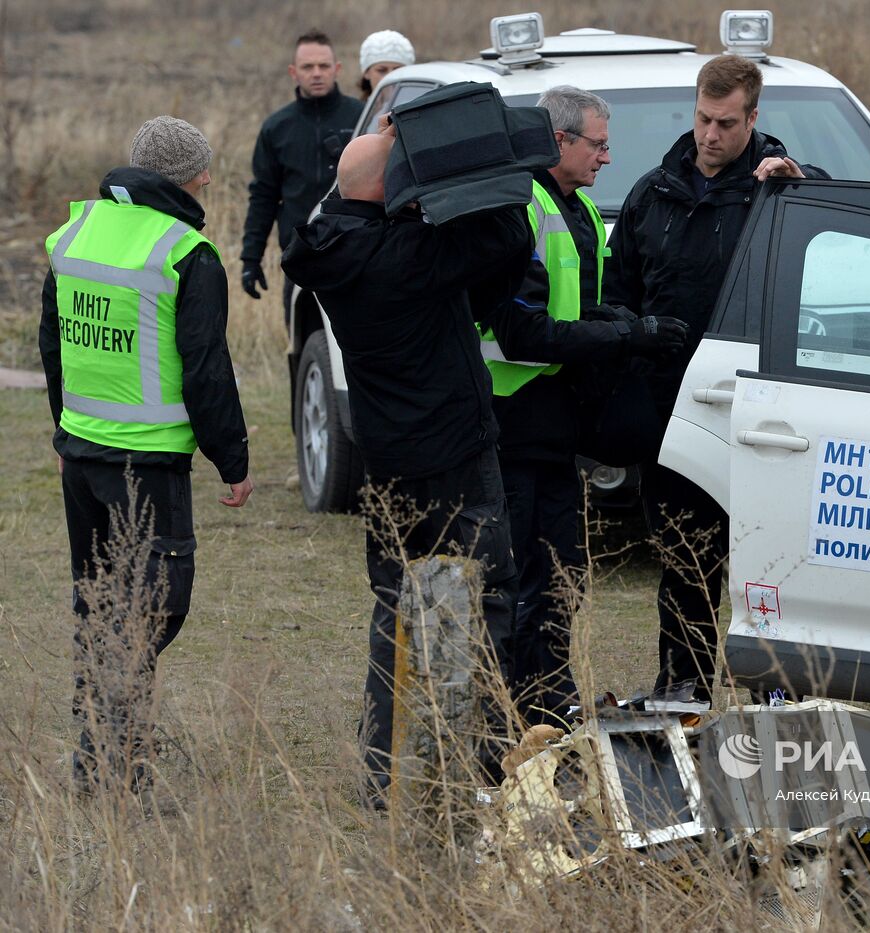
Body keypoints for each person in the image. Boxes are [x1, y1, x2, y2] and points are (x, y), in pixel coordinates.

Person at [281, 120, 532, 803]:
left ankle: (380, 771)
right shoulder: (408, 255)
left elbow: (353, 201)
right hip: (454, 452)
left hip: (388, 460)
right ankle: (481, 764)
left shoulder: (335, 245)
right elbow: (510, 238)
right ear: (391, 191)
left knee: (394, 607)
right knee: (489, 596)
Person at [39, 116, 254, 793]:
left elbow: (53, 346)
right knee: (155, 608)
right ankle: (117, 767)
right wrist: (234, 458)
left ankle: (96, 759)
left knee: (100, 603)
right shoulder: (187, 252)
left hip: (84, 452)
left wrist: (64, 433)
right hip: (149, 464)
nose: (211, 181)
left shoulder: (74, 233)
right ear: (186, 179)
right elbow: (207, 370)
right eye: (204, 172)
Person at [603, 54, 827, 701]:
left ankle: (776, 700)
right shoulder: (653, 192)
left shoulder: (777, 192)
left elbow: (838, 219)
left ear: (753, 119)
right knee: (685, 561)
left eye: (726, 123)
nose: (710, 134)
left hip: (764, 415)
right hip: (675, 413)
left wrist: (800, 179)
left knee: (768, 566)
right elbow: (618, 292)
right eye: (703, 118)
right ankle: (685, 688)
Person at [475, 86, 688, 722]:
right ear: (559, 141)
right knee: (517, 580)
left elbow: (576, 309)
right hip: (513, 424)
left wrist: (628, 324)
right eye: (597, 144)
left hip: (558, 428)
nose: (606, 158)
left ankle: (551, 699)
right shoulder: (523, 209)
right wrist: (625, 334)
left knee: (564, 575)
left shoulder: (583, 212)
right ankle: (503, 712)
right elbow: (523, 332)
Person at [240, 30, 362, 326]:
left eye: (323, 66)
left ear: (338, 69)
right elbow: (264, 196)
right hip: (300, 260)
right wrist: (250, 260)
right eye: (308, 67)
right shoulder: (277, 128)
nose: (316, 74)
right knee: (305, 351)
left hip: (357, 257)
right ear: (294, 72)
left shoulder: (362, 118)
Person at [358, 29, 414, 100]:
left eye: (398, 71)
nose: (390, 77)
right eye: (382, 70)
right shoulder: (355, 110)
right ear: (366, 73)